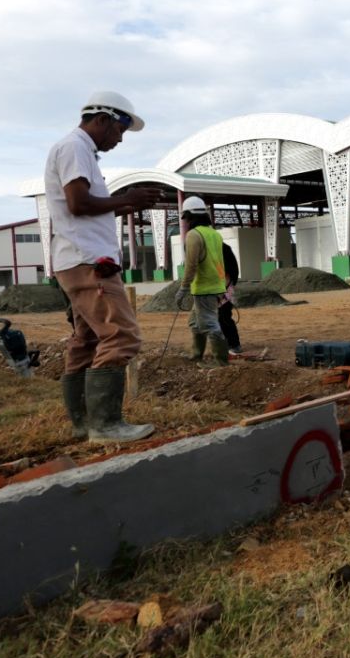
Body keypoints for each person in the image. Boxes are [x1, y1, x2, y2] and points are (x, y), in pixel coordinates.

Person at [45, 91, 162, 443]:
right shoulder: (75, 147)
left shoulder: (79, 151)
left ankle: (83, 423)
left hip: (77, 259)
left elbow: (82, 206)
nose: (120, 138)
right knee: (121, 335)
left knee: (87, 340)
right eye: (120, 130)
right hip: (90, 262)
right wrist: (127, 198)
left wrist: (123, 206)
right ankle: (105, 426)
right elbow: (78, 204)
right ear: (104, 119)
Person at [175, 196, 229, 366]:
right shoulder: (214, 234)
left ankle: (220, 361)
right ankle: (196, 354)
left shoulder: (193, 235)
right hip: (216, 285)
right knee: (195, 322)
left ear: (190, 216)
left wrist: (183, 288)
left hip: (204, 287)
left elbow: (191, 266)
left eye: (186, 218)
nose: (185, 222)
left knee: (210, 324)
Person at [219, 241, 243, 355]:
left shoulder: (223, 251)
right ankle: (226, 343)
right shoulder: (222, 250)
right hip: (219, 289)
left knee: (224, 318)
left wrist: (221, 292)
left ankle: (235, 345)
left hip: (224, 290)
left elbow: (227, 275)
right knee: (219, 319)